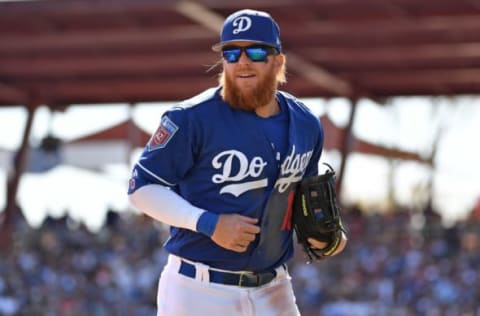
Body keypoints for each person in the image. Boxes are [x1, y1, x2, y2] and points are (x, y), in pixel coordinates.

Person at [128, 8, 347, 316]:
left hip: (274, 288)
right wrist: (207, 223)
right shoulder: (191, 118)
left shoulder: (306, 123)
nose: (243, 61)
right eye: (231, 53)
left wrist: (325, 235)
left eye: (256, 51)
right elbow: (141, 188)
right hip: (199, 289)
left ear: (278, 61)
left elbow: (305, 202)